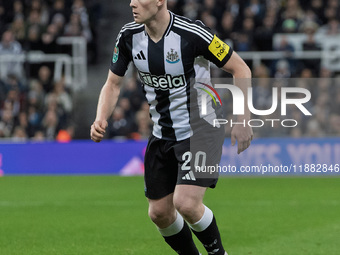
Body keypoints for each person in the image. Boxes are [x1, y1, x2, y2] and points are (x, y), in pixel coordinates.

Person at [90, 0, 253, 254]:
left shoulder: (193, 33)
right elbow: (113, 83)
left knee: (186, 203)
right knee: (159, 213)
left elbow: (240, 69)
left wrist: (243, 119)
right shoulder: (128, 36)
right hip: (162, 134)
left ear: (159, 1)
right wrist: (101, 117)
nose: (132, 3)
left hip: (201, 130)